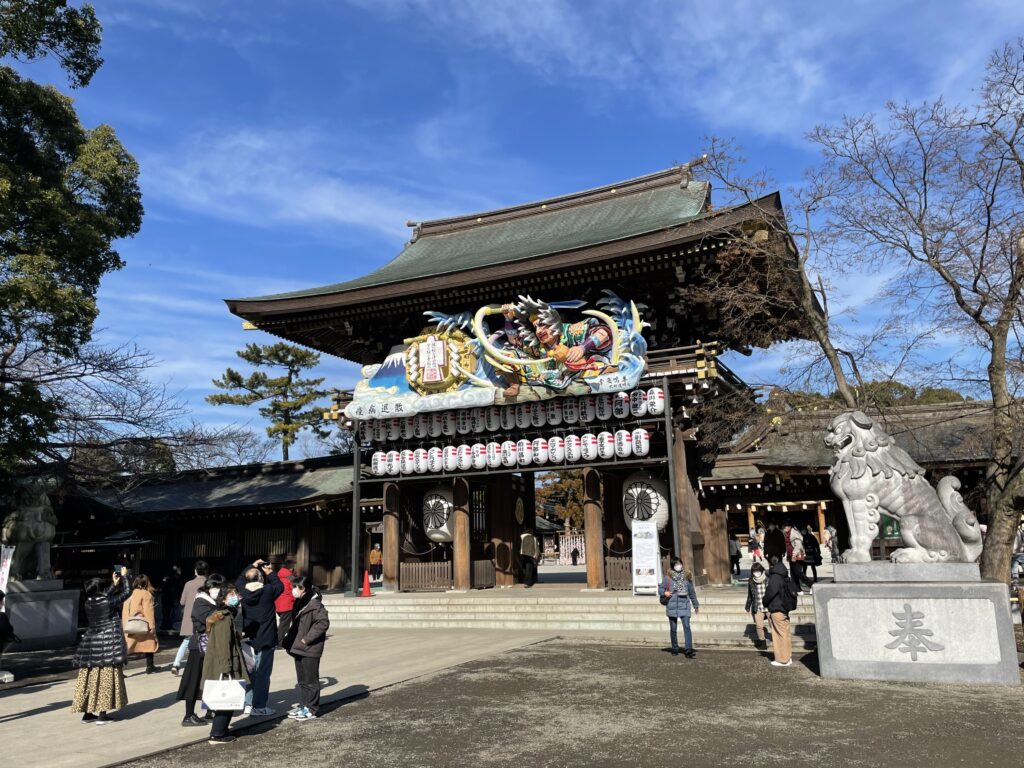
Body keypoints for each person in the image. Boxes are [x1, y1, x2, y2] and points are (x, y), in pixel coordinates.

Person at [71, 567, 130, 723]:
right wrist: (125, 578)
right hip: (107, 646)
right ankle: (102, 715)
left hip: (91, 646)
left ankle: (88, 713)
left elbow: (103, 597)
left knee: (89, 679)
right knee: (106, 679)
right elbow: (127, 594)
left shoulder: (88, 602)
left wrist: (114, 584)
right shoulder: (107, 602)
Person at [203, 583, 250, 744]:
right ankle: (217, 733)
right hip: (224, 664)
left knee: (228, 699)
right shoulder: (223, 618)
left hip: (225, 662)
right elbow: (223, 646)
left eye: (235, 594)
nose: (235, 597)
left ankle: (221, 730)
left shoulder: (225, 615)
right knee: (226, 699)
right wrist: (226, 668)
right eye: (230, 595)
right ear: (223, 598)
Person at [236, 559, 283, 716]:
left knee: (249, 672)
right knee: (262, 673)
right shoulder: (268, 591)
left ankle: (248, 703)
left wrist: (252, 566)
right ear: (261, 578)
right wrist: (269, 571)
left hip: (248, 637)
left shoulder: (242, 592)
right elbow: (280, 586)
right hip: (266, 638)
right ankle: (259, 706)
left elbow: (239, 580)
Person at [176, 574, 222, 726]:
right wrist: (223, 612)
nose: (218, 591)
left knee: (209, 679)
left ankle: (209, 710)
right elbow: (207, 620)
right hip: (200, 646)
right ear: (209, 588)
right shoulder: (201, 601)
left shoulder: (211, 601)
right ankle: (188, 715)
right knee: (193, 680)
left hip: (208, 645)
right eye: (216, 588)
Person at [283, 576, 330, 721]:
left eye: (299, 588)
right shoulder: (300, 602)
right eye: (294, 587)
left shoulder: (315, 604)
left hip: (309, 648)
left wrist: (306, 639)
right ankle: (304, 705)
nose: (295, 590)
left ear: (306, 589)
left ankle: (311, 708)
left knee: (311, 681)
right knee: (302, 681)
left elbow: (323, 623)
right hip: (298, 647)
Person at [173, 560, 208, 676]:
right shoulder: (209, 583)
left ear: (195, 571)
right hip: (205, 616)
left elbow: (182, 602)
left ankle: (176, 664)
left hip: (190, 616)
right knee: (206, 640)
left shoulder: (188, 584)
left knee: (186, 641)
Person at [660, 558, 700, 658]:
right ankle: (674, 648)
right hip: (672, 606)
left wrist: (695, 605)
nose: (678, 565)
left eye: (680, 563)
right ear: (673, 566)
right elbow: (660, 588)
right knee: (673, 629)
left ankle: (688, 649)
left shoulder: (687, 577)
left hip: (684, 605)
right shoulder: (668, 578)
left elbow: (692, 593)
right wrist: (664, 592)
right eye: (676, 564)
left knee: (687, 627)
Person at [762, 555, 796, 667]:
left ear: (771, 564)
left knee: (778, 635)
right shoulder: (784, 574)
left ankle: (782, 659)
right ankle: (787, 657)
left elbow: (771, 592)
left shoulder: (775, 577)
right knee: (785, 634)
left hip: (777, 607)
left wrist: (764, 601)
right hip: (784, 607)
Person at [123, 574, 160, 674]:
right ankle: (150, 666)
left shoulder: (131, 594)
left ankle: (119, 670)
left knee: (127, 647)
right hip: (142, 624)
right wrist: (152, 626)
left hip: (129, 625)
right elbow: (149, 611)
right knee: (150, 643)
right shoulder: (146, 594)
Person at [744, 561, 769, 650]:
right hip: (757, 606)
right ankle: (762, 643)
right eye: (754, 571)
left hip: (769, 606)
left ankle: (778, 640)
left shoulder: (768, 578)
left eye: (758, 571)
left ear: (762, 570)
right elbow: (750, 594)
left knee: (773, 625)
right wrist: (747, 606)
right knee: (759, 626)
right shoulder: (751, 580)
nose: (756, 573)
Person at [275, 559, 296, 646]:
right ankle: (279, 642)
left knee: (283, 623)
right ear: (291, 568)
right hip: (287, 604)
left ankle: (285, 639)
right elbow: (295, 590)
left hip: (278, 603)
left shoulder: (278, 576)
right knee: (284, 625)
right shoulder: (290, 577)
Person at [784, 523, 809, 594]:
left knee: (798, 573)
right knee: (793, 574)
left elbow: (798, 546)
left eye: (785, 527)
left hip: (797, 555)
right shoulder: (787, 534)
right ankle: (798, 589)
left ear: (789, 527)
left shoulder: (794, 534)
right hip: (791, 556)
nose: (784, 529)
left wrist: (794, 555)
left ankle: (811, 584)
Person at [160, 565, 182, 632]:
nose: (180, 571)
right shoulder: (176, 578)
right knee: (171, 613)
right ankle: (168, 625)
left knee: (166, 612)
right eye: (179, 570)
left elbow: (162, 586)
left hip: (165, 597)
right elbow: (177, 589)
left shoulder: (166, 578)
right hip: (172, 597)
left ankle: (165, 625)